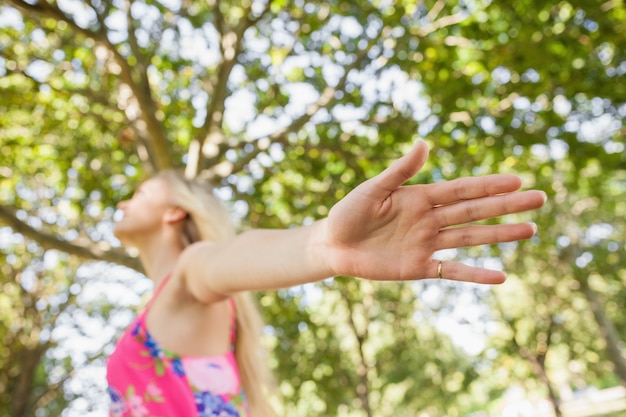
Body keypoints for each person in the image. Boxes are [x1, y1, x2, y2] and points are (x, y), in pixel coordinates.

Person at [106, 140, 547, 417]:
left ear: (173, 211)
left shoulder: (194, 268)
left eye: (141, 191)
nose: (125, 200)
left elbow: (234, 254)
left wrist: (324, 245)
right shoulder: (160, 306)